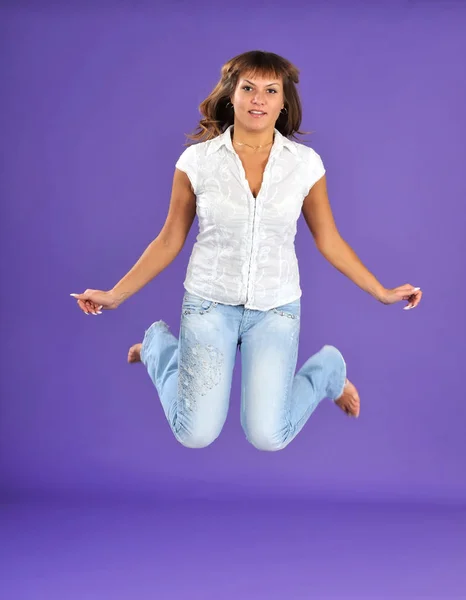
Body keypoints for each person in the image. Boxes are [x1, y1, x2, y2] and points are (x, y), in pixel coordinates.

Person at [70, 50, 422, 451]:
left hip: (275, 309)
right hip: (208, 305)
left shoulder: (305, 165)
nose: (259, 98)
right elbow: (170, 238)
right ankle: (158, 348)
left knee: (268, 437)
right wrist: (115, 295)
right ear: (231, 96)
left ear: (283, 102)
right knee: (195, 433)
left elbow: (329, 239)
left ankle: (327, 370)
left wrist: (381, 291)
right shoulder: (197, 162)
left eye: (270, 90)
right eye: (248, 88)